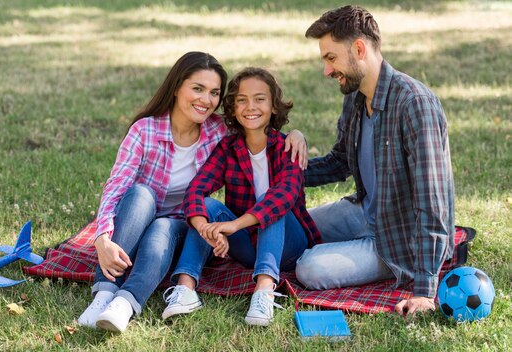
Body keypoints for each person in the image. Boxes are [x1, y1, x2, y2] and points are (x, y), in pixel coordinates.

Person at [76, 52, 308, 333]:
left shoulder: (223, 133)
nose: (205, 100)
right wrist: (102, 238)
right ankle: (106, 294)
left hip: (203, 229)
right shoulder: (149, 131)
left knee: (264, 206)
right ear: (176, 87)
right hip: (143, 222)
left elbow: (277, 182)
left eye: (213, 93)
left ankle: (125, 304)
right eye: (197, 89)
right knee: (141, 194)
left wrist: (297, 133)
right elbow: (118, 188)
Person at [295, 6, 455, 316]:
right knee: (293, 227)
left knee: (310, 269)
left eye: (331, 58)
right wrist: (280, 168)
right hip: (365, 212)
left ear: (359, 49)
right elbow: (338, 162)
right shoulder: (354, 98)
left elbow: (432, 202)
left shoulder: (414, 104)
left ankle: (401, 269)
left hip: (401, 237)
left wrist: (424, 291)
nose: (327, 70)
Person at [162, 67, 321, 326]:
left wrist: (233, 225)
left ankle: (264, 291)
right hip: (248, 247)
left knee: (272, 204)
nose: (251, 106)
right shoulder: (228, 148)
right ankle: (186, 289)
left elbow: (284, 196)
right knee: (205, 205)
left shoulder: (287, 148)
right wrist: (208, 229)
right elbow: (196, 189)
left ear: (274, 106)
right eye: (242, 100)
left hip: (289, 248)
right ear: (233, 107)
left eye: (260, 99)